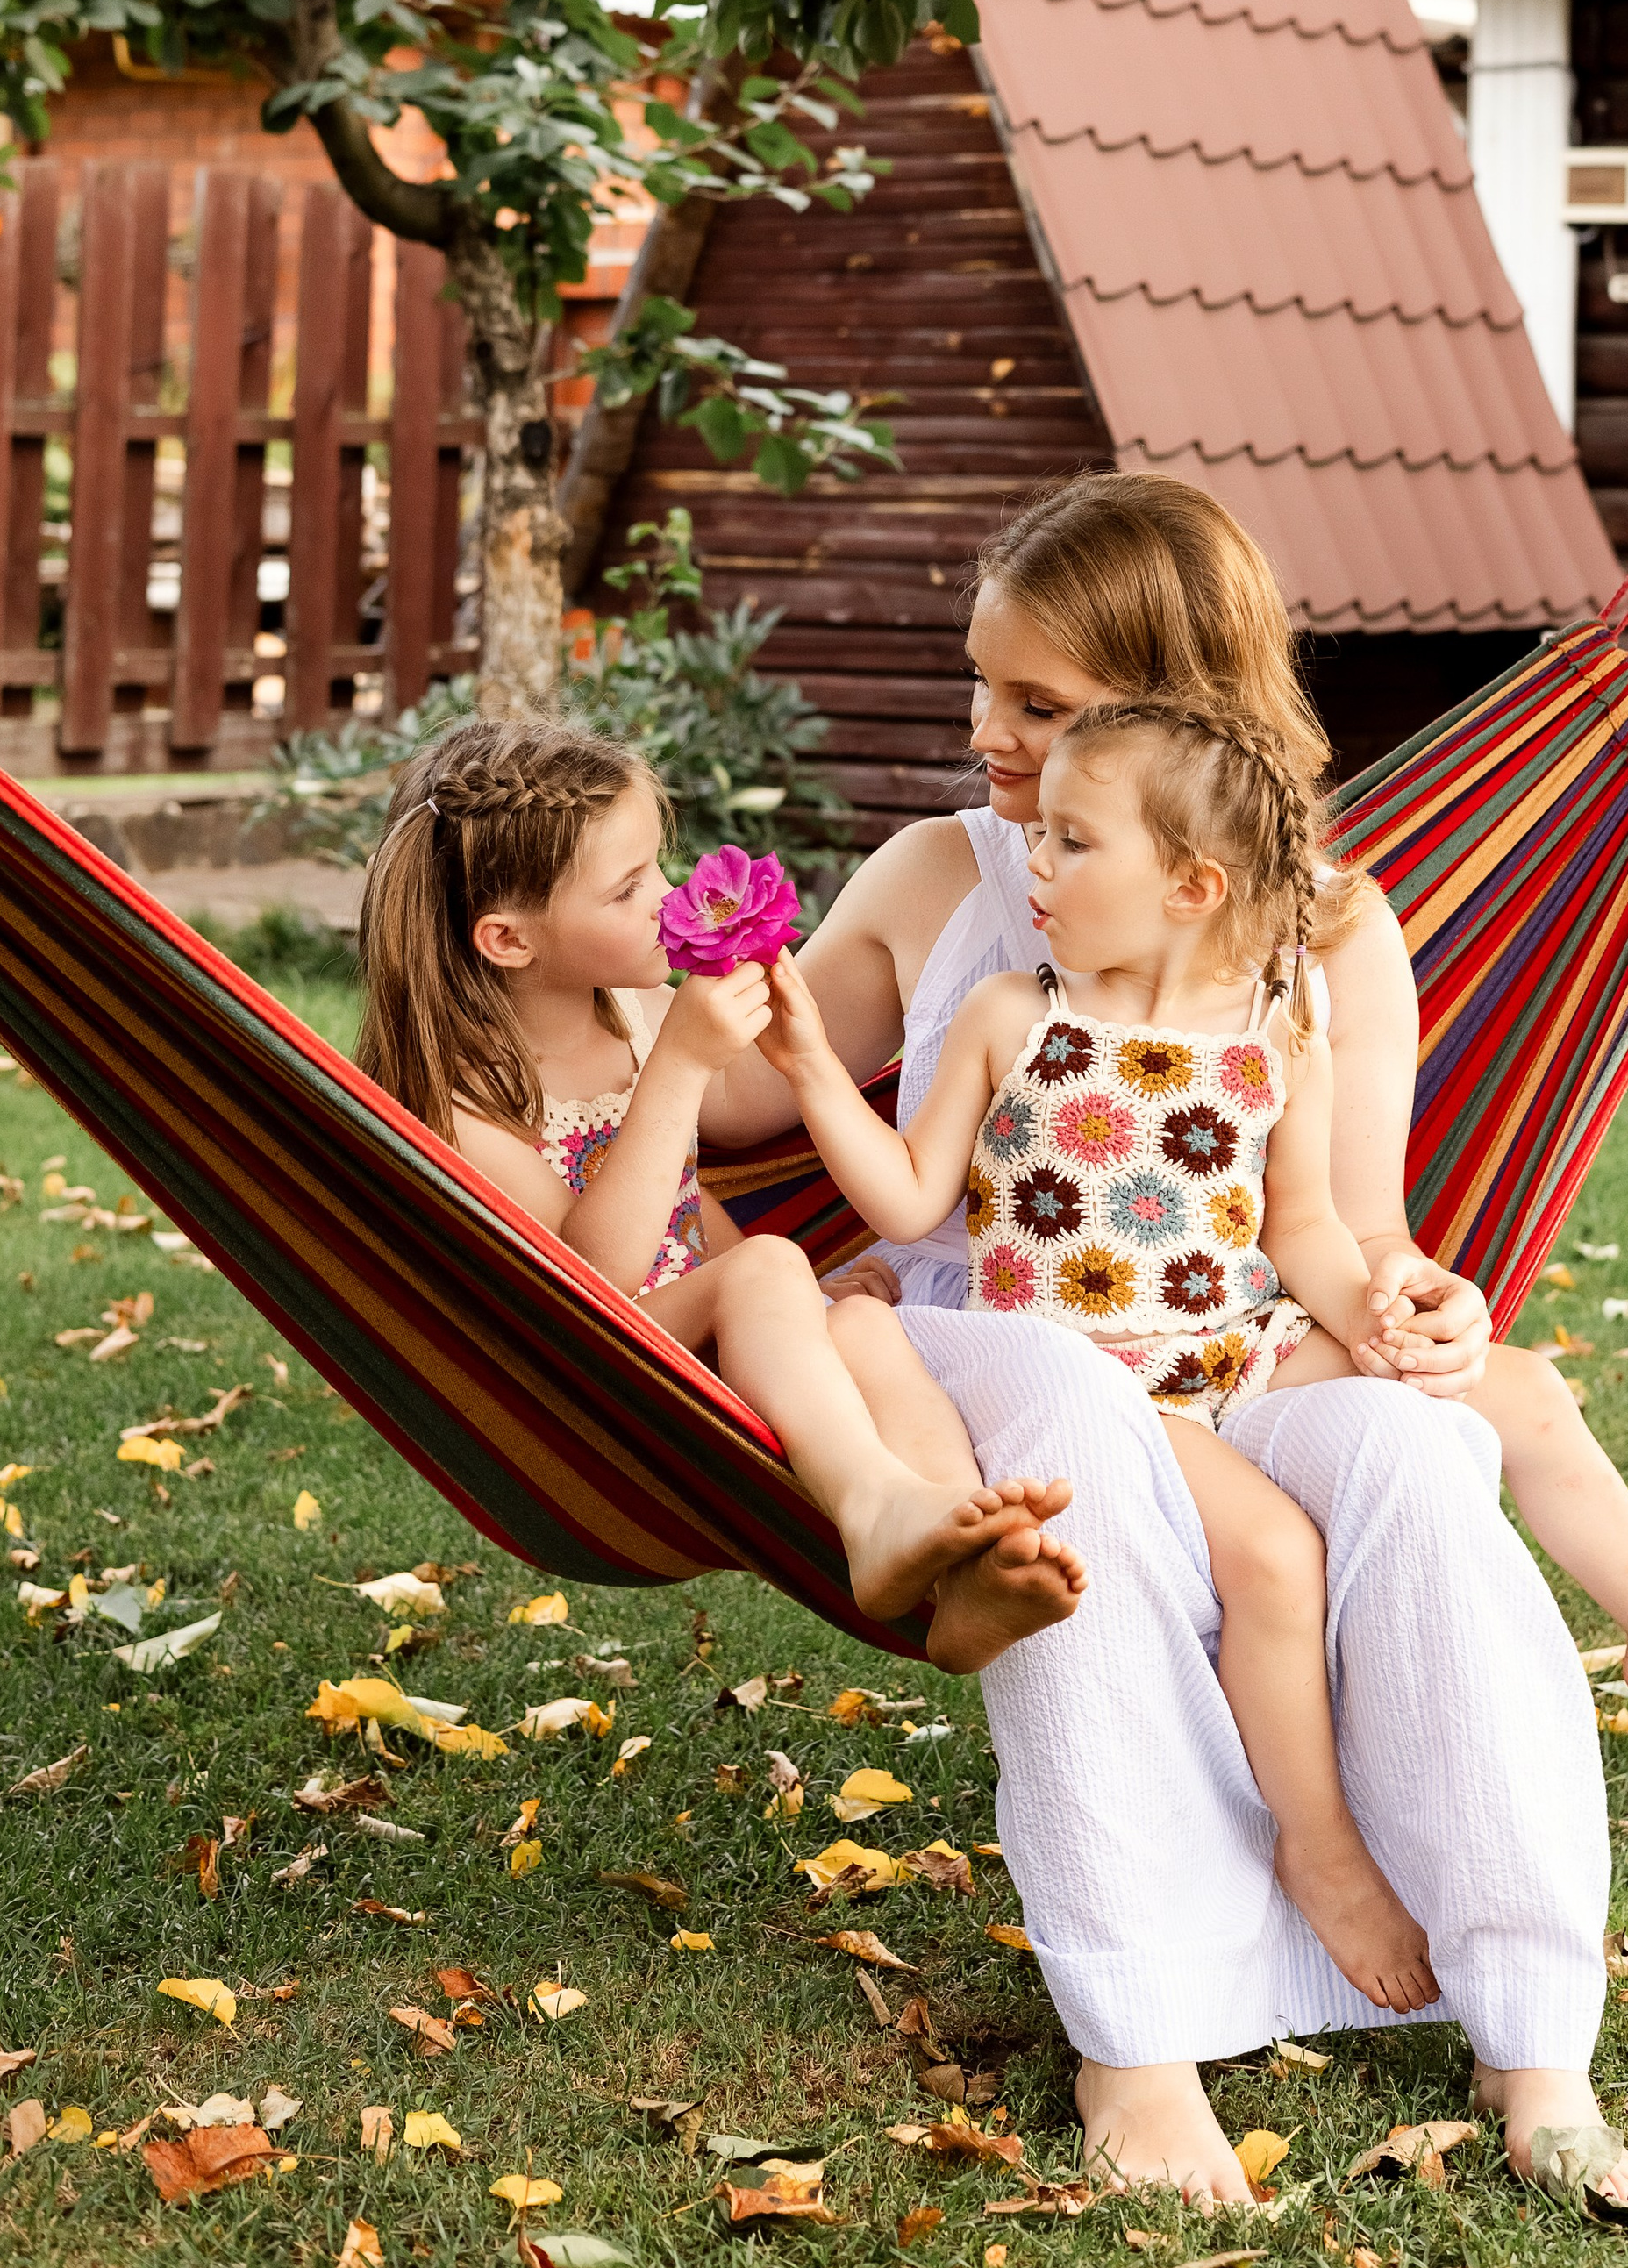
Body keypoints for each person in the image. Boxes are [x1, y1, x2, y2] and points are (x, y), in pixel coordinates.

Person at [692, 473, 1628, 2211]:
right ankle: (1134, 2035)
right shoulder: (941, 877)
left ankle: (1531, 2028)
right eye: (983, 684)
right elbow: (751, 1095)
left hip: (1216, 1336)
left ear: (1176, 725)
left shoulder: (1326, 932)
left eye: (1043, 709)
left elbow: (1352, 1230)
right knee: (1073, 1437)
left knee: (1414, 1455)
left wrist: (1415, 1297)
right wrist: (628, 1020)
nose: (988, 737)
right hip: (984, 1332)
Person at [351, 716, 1086, 1673]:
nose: (666, 900)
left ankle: (960, 1549)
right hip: (597, 1384)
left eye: (656, 867)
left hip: (695, 1334)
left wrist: (811, 1302)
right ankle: (870, 1507)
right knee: (769, 1265)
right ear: (507, 939)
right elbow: (593, 1276)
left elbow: (690, 1205)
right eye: (627, 889)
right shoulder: (464, 1100)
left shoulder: (637, 1005)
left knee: (864, 1329)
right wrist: (680, 1068)